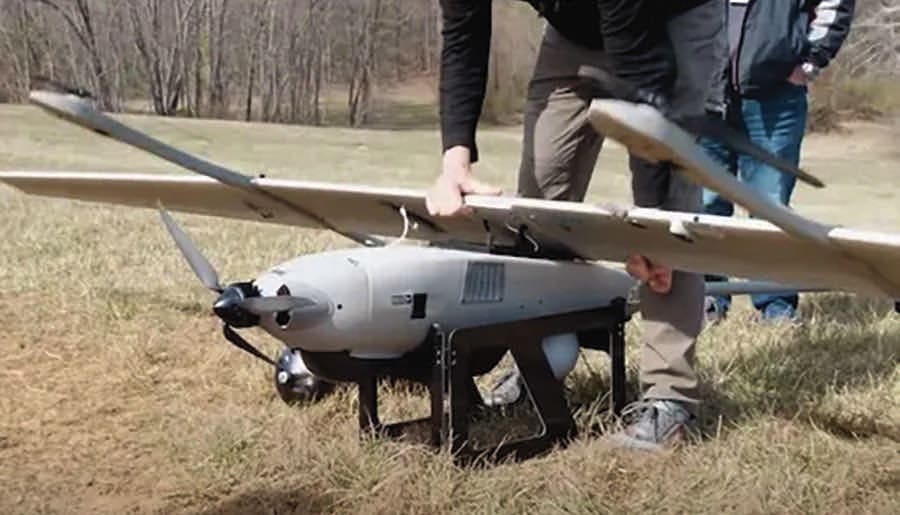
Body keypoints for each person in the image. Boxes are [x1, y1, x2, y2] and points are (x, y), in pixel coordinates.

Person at [428, 0, 727, 450]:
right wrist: (455, 162)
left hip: (670, 22)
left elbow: (639, 72)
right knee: (538, 201)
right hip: (574, 31)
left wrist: (651, 229)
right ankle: (540, 364)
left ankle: (669, 397)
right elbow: (462, 37)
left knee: (670, 217)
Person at [702, 0, 856, 323]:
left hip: (776, 93)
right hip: (707, 86)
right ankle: (707, 300)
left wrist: (810, 60)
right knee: (705, 203)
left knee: (770, 207)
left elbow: (835, 3)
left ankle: (776, 310)